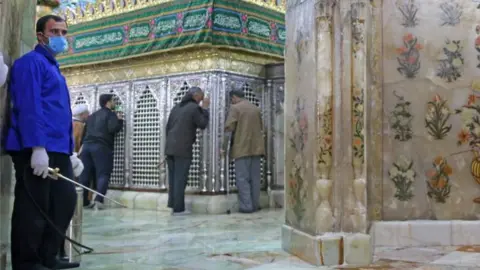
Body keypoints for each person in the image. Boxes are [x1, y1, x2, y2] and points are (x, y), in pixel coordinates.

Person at [3, 15, 83, 270]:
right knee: (33, 208)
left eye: (64, 32)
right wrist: (37, 148)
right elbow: (30, 107)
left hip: (58, 149)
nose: (61, 37)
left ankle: (49, 255)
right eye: (55, 31)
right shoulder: (30, 64)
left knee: (63, 202)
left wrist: (69, 152)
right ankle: (28, 262)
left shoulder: (52, 68)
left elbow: (56, 112)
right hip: (35, 148)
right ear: (40, 35)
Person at [165, 87, 209, 216]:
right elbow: (202, 124)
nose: (202, 99)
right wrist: (205, 109)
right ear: (195, 95)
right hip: (182, 149)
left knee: (173, 179)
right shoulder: (194, 108)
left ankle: (174, 206)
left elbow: (168, 127)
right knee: (180, 179)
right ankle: (179, 209)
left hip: (170, 148)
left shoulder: (176, 107)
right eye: (201, 96)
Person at [79, 94, 123, 210]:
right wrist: (120, 121)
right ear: (108, 102)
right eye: (113, 101)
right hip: (101, 147)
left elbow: (84, 134)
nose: (114, 103)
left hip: (87, 147)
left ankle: (84, 202)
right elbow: (113, 129)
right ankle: (98, 201)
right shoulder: (110, 114)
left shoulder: (92, 116)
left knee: (85, 175)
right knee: (103, 174)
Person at [224, 90, 265, 213]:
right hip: (257, 149)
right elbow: (262, 128)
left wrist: (223, 146)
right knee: (255, 178)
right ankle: (255, 204)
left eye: (232, 99)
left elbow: (229, 128)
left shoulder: (235, 108)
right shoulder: (255, 108)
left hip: (241, 148)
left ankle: (246, 206)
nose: (232, 101)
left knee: (242, 178)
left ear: (235, 97)